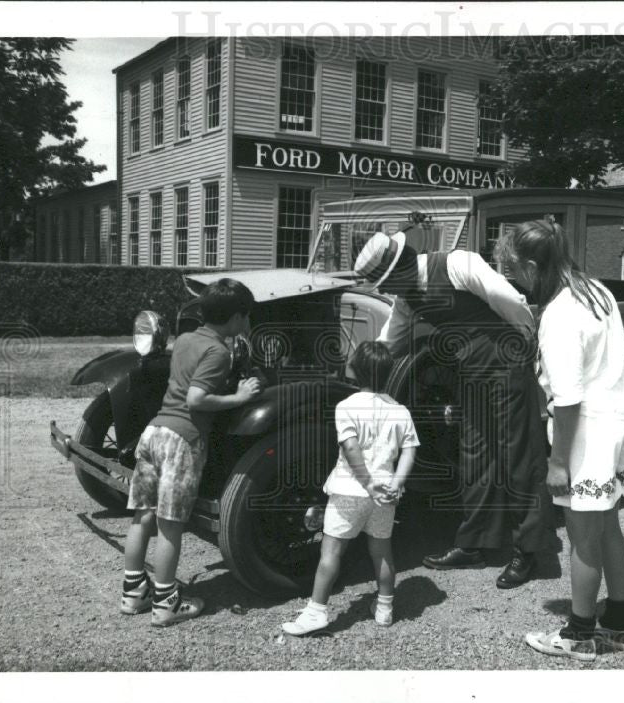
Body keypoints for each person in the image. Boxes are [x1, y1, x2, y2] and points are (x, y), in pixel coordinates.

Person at [352, 225, 551, 589]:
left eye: (385, 282)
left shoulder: (458, 264)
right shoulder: (408, 297)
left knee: (519, 458)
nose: (383, 291)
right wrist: (360, 372)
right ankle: (474, 544)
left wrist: (527, 351)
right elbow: (390, 342)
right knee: (475, 456)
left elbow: (510, 303)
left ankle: (529, 550)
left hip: (506, 365)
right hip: (470, 375)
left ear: (400, 268)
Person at [495, 220, 624, 662]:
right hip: (620, 416)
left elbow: (568, 398)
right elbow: (621, 357)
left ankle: (578, 634)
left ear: (533, 265)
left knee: (583, 538)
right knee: (609, 527)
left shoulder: (559, 314)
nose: (513, 280)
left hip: (588, 429)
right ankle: (618, 623)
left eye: (514, 270)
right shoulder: (597, 290)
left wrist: (558, 463)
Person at [121, 278, 263, 627]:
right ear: (235, 319)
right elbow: (196, 399)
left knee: (143, 517)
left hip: (154, 433)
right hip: (182, 440)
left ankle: (133, 592)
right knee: (171, 526)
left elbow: (184, 383)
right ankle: (166, 603)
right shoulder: (219, 351)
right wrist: (240, 398)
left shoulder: (185, 339)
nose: (248, 322)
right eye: (246, 316)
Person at [282, 341, 419, 635]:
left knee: (331, 552)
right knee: (382, 551)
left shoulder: (346, 405)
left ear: (355, 371)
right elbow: (409, 451)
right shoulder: (401, 411)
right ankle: (384, 609)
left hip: (350, 489)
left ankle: (316, 611)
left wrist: (367, 483)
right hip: (385, 493)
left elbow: (351, 447)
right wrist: (395, 484)